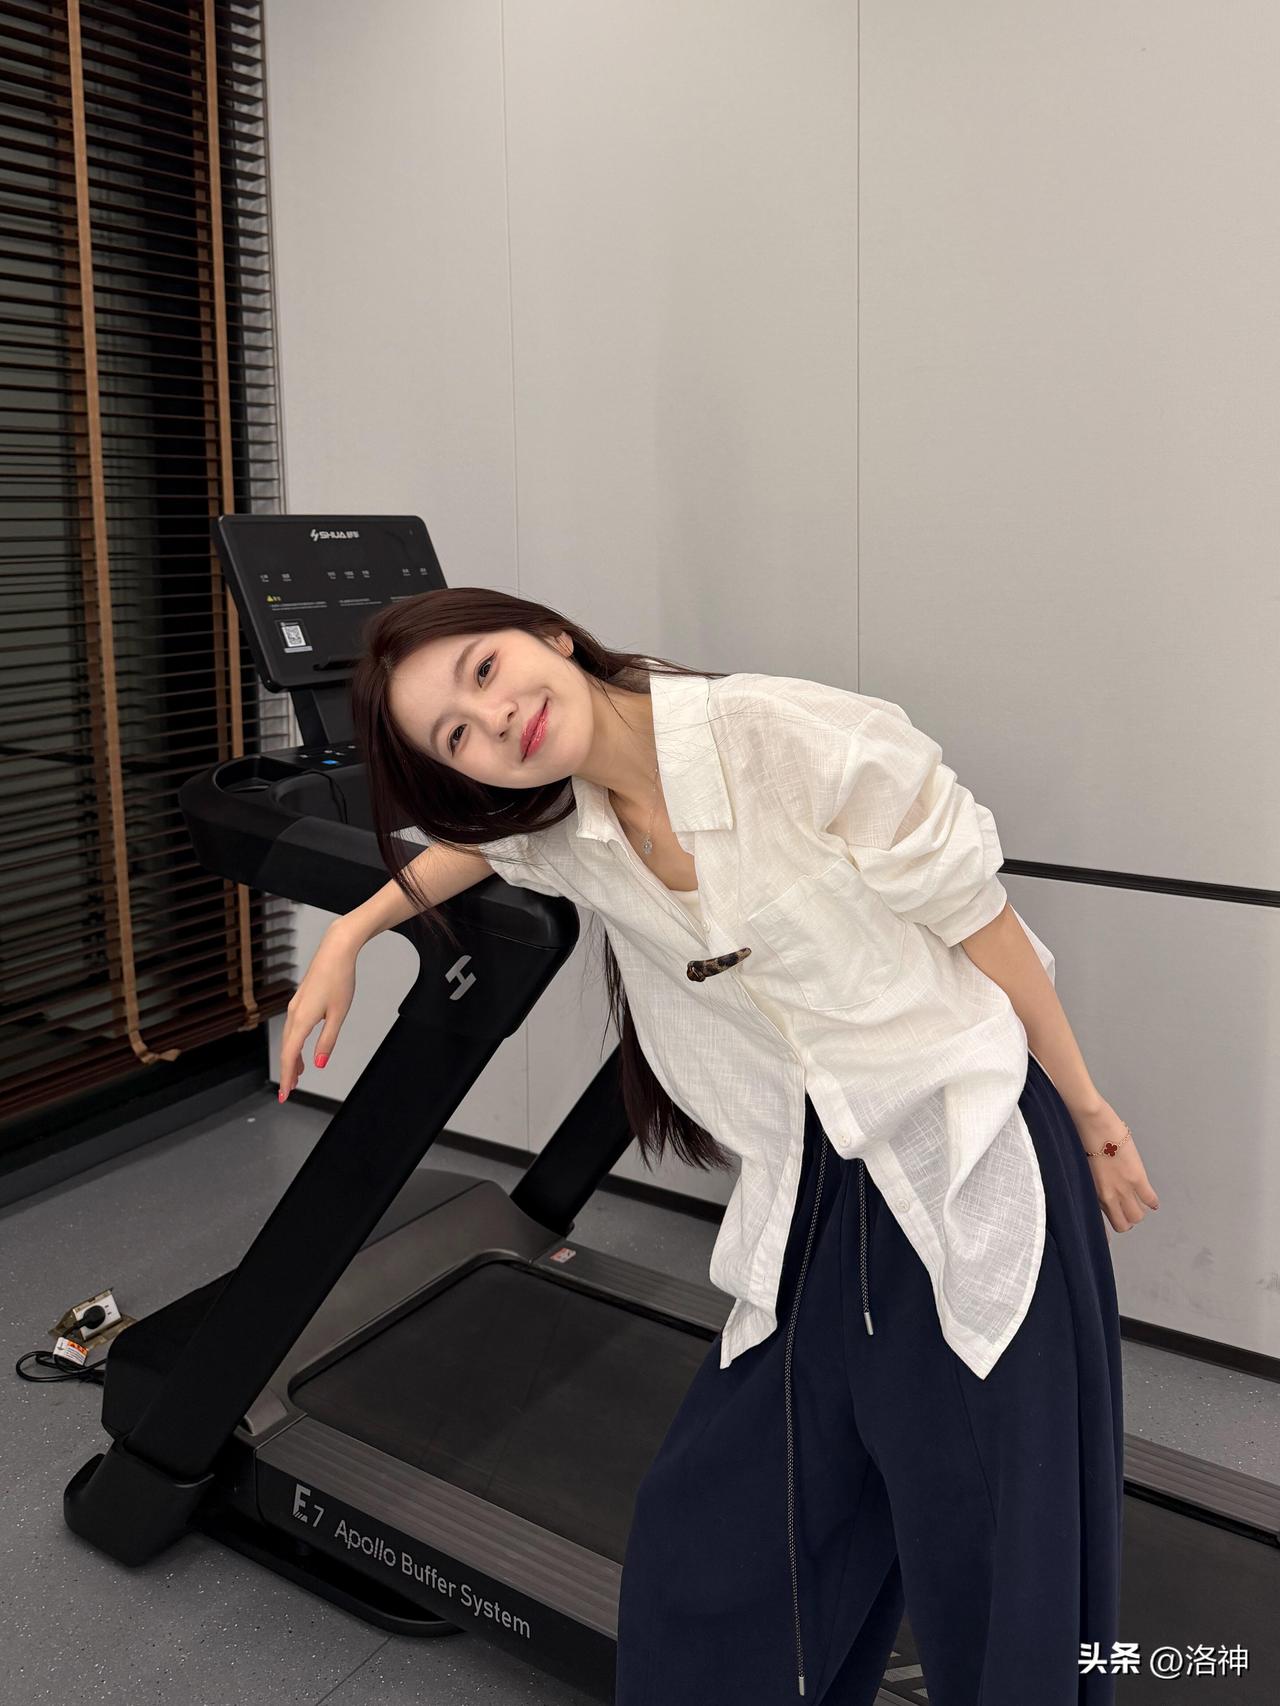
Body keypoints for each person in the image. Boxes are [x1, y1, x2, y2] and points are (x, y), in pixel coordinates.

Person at [277, 588, 1158, 1705]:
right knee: (708, 1544)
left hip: (966, 1144)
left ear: (549, 635)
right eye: (456, 735)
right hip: (812, 1189)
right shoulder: (564, 829)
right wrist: (350, 934)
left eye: (485, 670)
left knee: (999, 1567)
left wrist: (1089, 1111)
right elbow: (471, 852)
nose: (494, 718)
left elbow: (981, 926)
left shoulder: (788, 735)